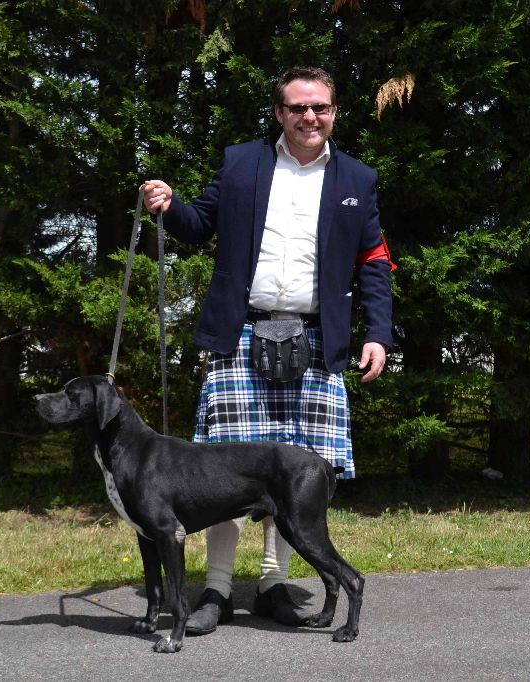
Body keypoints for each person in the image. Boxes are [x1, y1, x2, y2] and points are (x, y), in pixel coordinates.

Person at [141, 65, 394, 635]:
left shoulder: (357, 178)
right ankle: (218, 590)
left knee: (294, 473)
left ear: (334, 111)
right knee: (221, 469)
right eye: (299, 107)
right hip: (242, 335)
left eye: (321, 107)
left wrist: (378, 332)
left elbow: (374, 261)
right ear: (279, 112)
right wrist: (168, 202)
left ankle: (275, 582)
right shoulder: (242, 163)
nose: (311, 117)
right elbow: (197, 224)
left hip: (316, 340)